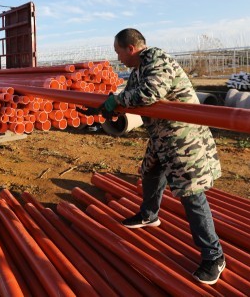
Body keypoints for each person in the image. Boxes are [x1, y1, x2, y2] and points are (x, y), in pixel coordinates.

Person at [81, 28, 225, 285]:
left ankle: (214, 256)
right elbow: (128, 95)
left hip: (183, 137)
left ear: (131, 49)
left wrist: (117, 102)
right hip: (163, 135)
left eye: (118, 52)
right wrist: (106, 105)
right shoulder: (139, 68)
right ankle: (149, 214)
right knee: (149, 171)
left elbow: (149, 94)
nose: (118, 58)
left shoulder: (157, 61)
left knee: (191, 194)